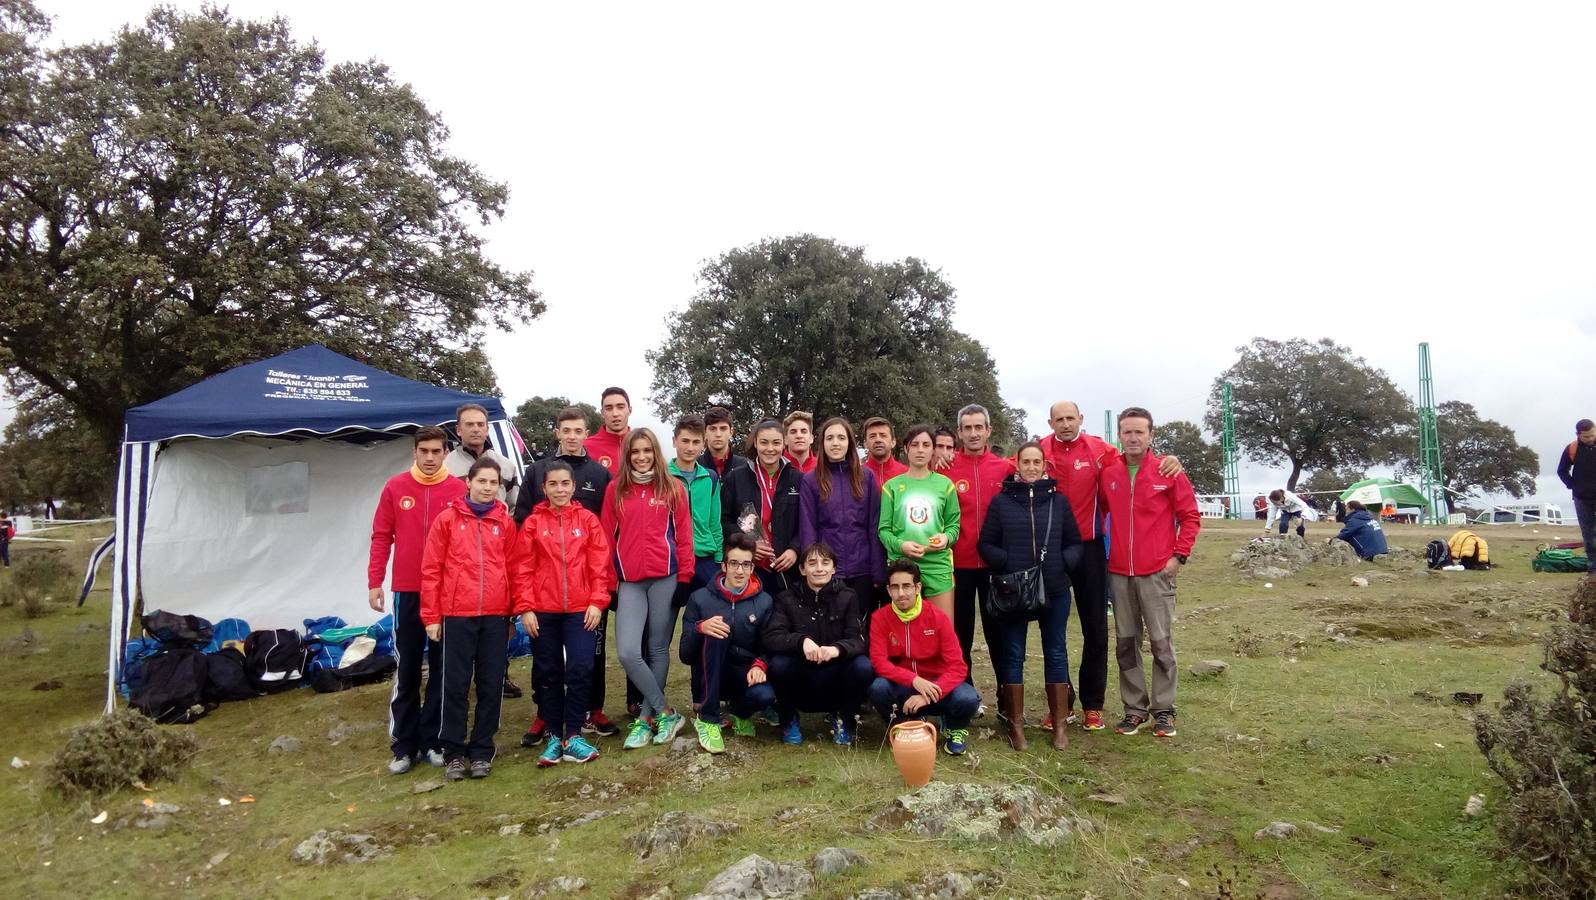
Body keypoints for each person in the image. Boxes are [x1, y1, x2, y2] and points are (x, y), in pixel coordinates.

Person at [1039, 401, 1182, 733]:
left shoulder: (1101, 452)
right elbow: (1005, 466)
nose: (1064, 424)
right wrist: (947, 457)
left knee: (1096, 631)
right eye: (1058, 419)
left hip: (1089, 549)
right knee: (1052, 631)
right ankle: (1062, 703)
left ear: (1081, 420)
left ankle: (1093, 705)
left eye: (1070, 418)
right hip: (1050, 551)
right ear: (1050, 422)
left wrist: (1169, 460)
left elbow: (1137, 460)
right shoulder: (1039, 450)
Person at [513, 407, 617, 739]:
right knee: (547, 664)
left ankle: (590, 711)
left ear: (587, 433)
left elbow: (603, 545)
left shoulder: (599, 476)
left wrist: (599, 597)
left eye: (578, 430)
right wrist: (525, 603)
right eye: (566, 430)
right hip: (544, 598)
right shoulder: (536, 474)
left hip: (584, 596)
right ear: (557, 432)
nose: (572, 436)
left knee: (587, 659)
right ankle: (546, 716)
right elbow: (523, 539)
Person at [368, 426, 467, 774]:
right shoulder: (396, 487)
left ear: (444, 453)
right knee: (408, 667)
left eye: (435, 451)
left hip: (446, 593)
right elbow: (382, 535)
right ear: (414, 452)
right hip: (407, 591)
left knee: (442, 669)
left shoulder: (458, 489)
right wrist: (374, 581)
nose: (429, 458)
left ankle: (435, 740)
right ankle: (404, 745)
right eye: (423, 451)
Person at [1098, 408, 1200, 739]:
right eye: (1127, 432)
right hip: (1119, 573)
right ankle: (1134, 709)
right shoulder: (1109, 472)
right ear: (1119, 435)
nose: (1133, 437)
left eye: (1139, 432)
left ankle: (1165, 710)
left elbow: (1190, 516)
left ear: (1151, 435)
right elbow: (1098, 511)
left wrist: (1178, 557)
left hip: (1157, 572)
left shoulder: (1167, 470)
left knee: (1161, 644)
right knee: (1126, 644)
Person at [420, 457, 524, 780]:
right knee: (455, 685)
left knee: (491, 684)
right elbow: (431, 570)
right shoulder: (447, 520)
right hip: (457, 615)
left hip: (494, 616)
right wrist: (431, 617)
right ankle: (453, 751)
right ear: (469, 482)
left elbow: (513, 567)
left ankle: (481, 750)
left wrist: (512, 614)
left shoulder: (505, 523)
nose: (488, 488)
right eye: (482, 482)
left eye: (494, 483)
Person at [978, 442, 1083, 750]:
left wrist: (1064, 564)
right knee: (1013, 654)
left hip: (1054, 589)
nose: (1033, 467)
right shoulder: (1002, 502)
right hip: (1015, 591)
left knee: (1056, 652)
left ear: (1045, 466)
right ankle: (1016, 725)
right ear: (1018, 465)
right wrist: (1007, 563)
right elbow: (986, 544)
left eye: (1038, 461)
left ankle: (1060, 725)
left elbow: (1075, 542)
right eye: (1027, 461)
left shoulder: (1059, 503)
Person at [601, 428, 694, 750]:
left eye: (647, 451)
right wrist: (609, 583)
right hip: (629, 581)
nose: (641, 457)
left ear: (655, 452)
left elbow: (684, 536)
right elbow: (604, 539)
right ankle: (666, 711)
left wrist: (685, 577)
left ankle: (645, 719)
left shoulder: (673, 488)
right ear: (627, 456)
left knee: (656, 649)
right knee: (628, 651)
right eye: (634, 452)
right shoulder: (616, 489)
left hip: (665, 578)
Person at [763, 542, 874, 746]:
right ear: (802, 569)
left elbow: (858, 640)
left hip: (836, 675)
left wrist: (837, 649)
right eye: (812, 563)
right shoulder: (786, 598)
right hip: (802, 678)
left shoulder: (848, 596)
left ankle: (844, 720)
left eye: (825, 562)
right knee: (778, 664)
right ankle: (789, 720)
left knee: (863, 666)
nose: (819, 568)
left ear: (834, 568)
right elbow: (772, 637)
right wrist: (801, 641)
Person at [868, 559, 980, 755]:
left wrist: (927, 695)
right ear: (888, 590)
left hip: (937, 686)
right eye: (895, 587)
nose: (901, 593)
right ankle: (902, 725)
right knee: (878, 688)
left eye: (906, 586)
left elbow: (958, 667)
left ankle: (954, 728)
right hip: (905, 686)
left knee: (969, 698)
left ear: (917, 587)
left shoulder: (937, 617)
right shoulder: (880, 617)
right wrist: (914, 680)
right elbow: (879, 663)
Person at [679, 534, 778, 753]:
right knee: (717, 630)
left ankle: (740, 713)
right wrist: (699, 628)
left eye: (745, 564)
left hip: (743, 672)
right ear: (724, 566)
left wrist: (760, 663)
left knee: (765, 696)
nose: (739, 571)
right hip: (709, 673)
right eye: (734, 563)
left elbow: (769, 644)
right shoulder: (700, 598)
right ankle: (708, 718)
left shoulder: (764, 601)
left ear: (752, 568)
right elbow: (685, 654)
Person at [945, 404, 1016, 694]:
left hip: (995, 566)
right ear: (959, 432)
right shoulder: (946, 468)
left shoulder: (1006, 469)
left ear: (988, 430)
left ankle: (1006, 695)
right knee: (960, 634)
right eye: (967, 428)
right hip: (958, 565)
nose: (973, 433)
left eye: (979, 427)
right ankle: (965, 693)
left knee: (999, 634)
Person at [879, 425, 961, 621]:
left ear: (933, 449)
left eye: (926, 444)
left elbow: (954, 527)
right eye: (914, 445)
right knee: (904, 630)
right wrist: (902, 545)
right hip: (901, 565)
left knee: (942, 628)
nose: (920, 449)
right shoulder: (891, 487)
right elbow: (883, 531)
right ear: (906, 449)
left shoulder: (945, 485)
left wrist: (945, 538)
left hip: (937, 565)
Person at [799, 417, 883, 605]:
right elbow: (808, 528)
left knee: (859, 626)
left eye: (841, 438)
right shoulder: (811, 480)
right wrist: (812, 568)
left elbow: (874, 524)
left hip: (862, 569)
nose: (835, 443)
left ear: (849, 443)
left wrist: (878, 571)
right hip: (827, 570)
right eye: (829, 438)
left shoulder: (866, 477)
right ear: (822, 443)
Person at [721, 420, 803, 595]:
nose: (770, 449)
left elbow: (806, 522)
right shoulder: (736, 478)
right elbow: (724, 521)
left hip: (787, 567)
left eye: (776, 442)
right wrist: (748, 543)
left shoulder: (798, 479)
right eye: (764, 442)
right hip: (750, 567)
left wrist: (794, 550)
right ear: (756, 443)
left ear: (784, 443)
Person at [445, 402, 520, 508]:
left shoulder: (507, 466)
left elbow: (514, 508)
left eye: (480, 424)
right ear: (458, 430)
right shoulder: (445, 467)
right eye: (469, 424)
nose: (476, 429)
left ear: (487, 430)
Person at [1556, 418, 1596, 572]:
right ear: (1578, 434)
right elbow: (1561, 470)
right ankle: (1593, 568)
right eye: (1586, 436)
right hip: (1582, 498)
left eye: (1592, 435)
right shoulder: (1572, 449)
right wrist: (1573, 485)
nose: (1590, 439)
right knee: (1588, 533)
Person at [584, 387, 632, 477]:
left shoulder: (643, 446)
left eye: (620, 407)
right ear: (602, 412)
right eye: (609, 408)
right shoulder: (585, 447)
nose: (615, 414)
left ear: (629, 410)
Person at [699, 405, 752, 480]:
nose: (718, 434)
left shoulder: (745, 466)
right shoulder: (695, 465)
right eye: (712, 429)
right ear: (705, 432)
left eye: (723, 429)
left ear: (731, 432)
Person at [861, 416, 908, 490]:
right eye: (872, 436)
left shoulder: (906, 474)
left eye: (883, 435)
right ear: (865, 444)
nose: (878, 440)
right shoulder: (857, 475)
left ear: (893, 442)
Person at [782, 410, 818, 475]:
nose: (799, 436)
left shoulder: (822, 467)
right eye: (793, 432)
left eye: (803, 431)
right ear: (785, 439)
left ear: (811, 438)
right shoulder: (777, 466)